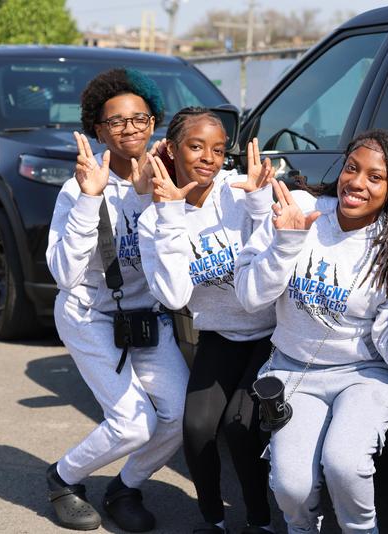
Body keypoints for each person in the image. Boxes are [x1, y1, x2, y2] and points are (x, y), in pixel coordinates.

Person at [234, 129, 388, 533]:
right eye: (352, 169)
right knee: (290, 486)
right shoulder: (300, 209)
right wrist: (287, 243)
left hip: (365, 373)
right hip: (295, 369)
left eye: (375, 177)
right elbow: (250, 297)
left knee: (344, 464)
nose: (357, 183)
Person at [45, 68, 188, 532]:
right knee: (133, 422)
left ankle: (125, 486)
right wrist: (90, 199)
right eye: (116, 121)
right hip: (88, 314)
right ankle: (65, 477)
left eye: (140, 118)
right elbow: (66, 275)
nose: (130, 129)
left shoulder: (167, 180)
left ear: (153, 123)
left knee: (179, 415)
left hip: (146, 316)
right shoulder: (77, 189)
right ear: (98, 129)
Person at [137, 107, 277, 534]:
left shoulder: (240, 193)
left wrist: (259, 202)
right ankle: (213, 521)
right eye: (196, 147)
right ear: (172, 150)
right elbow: (175, 295)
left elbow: (275, 255)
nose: (208, 158)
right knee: (196, 428)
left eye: (217, 150)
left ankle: (260, 522)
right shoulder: (153, 220)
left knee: (239, 426)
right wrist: (170, 218)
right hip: (219, 333)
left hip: (271, 335)